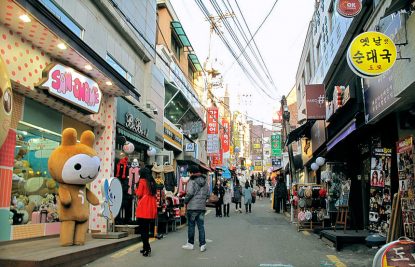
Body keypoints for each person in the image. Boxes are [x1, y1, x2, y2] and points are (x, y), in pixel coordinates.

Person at [182, 165, 209, 252]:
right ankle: (203, 245)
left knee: (191, 225)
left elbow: (189, 193)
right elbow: (208, 194)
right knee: (201, 226)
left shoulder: (192, 180)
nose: (189, 174)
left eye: (189, 172)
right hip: (201, 207)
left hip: (192, 207)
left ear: (192, 172)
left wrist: (185, 201)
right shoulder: (205, 181)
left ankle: (190, 244)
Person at [135, 167, 157, 257]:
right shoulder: (151, 181)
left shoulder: (142, 181)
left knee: (143, 230)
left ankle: (147, 248)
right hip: (150, 206)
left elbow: (138, 194)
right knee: (146, 229)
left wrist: (135, 189)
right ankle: (145, 247)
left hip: (143, 206)